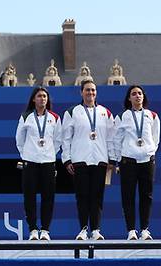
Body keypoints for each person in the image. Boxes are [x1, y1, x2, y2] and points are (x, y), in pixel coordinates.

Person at [62, 79, 115, 240]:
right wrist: (66, 159)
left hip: (100, 160)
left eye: (93, 90)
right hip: (80, 160)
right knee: (82, 196)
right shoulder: (72, 112)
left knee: (97, 196)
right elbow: (66, 139)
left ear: (96, 93)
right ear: (81, 92)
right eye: (87, 90)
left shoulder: (105, 113)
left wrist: (111, 159)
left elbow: (111, 138)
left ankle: (96, 229)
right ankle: (84, 229)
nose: (90, 93)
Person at [112, 85, 160, 241]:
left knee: (147, 196)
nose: (137, 96)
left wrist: (150, 152)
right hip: (128, 162)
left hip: (147, 161)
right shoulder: (122, 117)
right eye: (134, 94)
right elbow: (116, 140)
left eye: (140, 93)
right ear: (129, 98)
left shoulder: (152, 116)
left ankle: (145, 229)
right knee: (128, 196)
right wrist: (119, 160)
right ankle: (131, 230)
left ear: (143, 97)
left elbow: (155, 139)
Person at [15, 87, 62, 241]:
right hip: (30, 161)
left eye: (44, 96)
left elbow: (58, 140)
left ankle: (46, 230)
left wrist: (49, 153)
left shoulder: (54, 117)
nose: (42, 99)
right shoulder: (26, 116)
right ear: (33, 99)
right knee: (30, 196)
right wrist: (26, 155)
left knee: (48, 197)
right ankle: (33, 229)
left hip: (48, 161)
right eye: (39, 96)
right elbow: (19, 139)